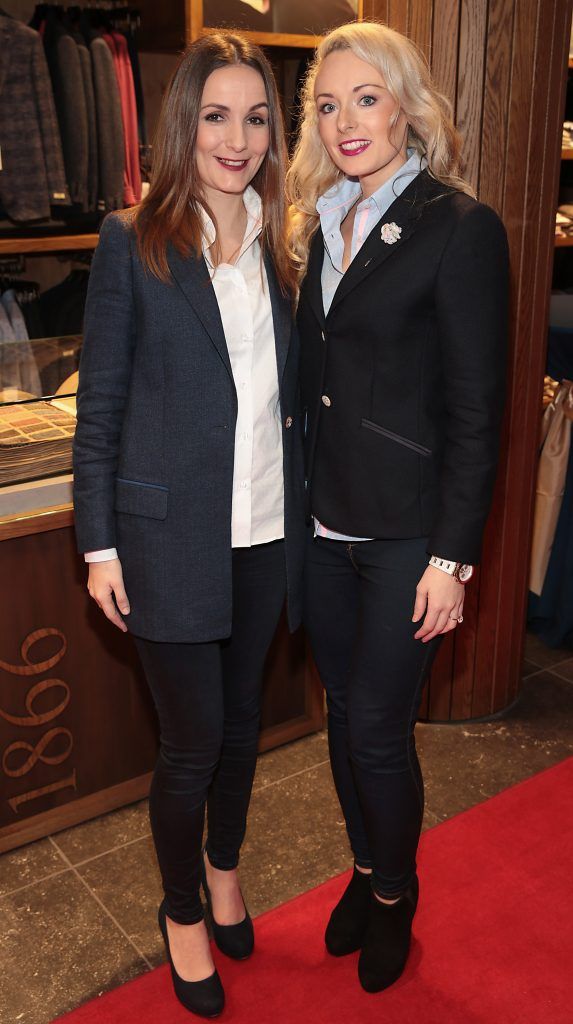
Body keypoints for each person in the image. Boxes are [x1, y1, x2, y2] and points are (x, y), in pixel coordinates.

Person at [73, 31, 304, 1018]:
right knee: (194, 739)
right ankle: (179, 912)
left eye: (256, 118)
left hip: (268, 532)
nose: (237, 138)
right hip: (165, 540)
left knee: (246, 724)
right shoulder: (134, 241)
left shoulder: (290, 243)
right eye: (217, 115)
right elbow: (103, 408)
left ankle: (223, 866)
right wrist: (98, 543)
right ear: (185, 123)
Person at [287, 20, 509, 994]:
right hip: (320, 527)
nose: (345, 120)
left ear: (407, 107)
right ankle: (369, 867)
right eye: (326, 104)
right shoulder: (315, 219)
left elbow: (478, 412)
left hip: (406, 535)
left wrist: (452, 561)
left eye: (364, 98)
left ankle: (392, 896)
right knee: (345, 717)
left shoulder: (459, 228)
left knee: (378, 726)